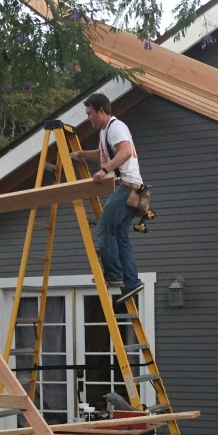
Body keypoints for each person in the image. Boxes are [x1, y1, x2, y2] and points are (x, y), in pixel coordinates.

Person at [71, 93, 145, 303]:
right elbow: (101, 154)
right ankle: (132, 282)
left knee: (104, 228)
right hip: (132, 189)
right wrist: (81, 155)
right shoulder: (106, 132)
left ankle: (113, 274)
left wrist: (104, 171)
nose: (88, 118)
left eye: (90, 113)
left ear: (101, 111)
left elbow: (125, 152)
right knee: (120, 236)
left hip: (127, 186)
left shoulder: (115, 127)